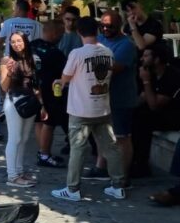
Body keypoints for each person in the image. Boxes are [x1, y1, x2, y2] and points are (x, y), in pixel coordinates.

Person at [52, 16, 128, 202]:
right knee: (112, 148)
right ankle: (118, 186)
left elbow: (66, 77)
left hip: (80, 109)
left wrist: (59, 82)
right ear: (97, 31)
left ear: (79, 32)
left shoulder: (77, 53)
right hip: (102, 107)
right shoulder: (108, 52)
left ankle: (73, 189)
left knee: (78, 149)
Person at [88, 11, 137, 183]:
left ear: (120, 25)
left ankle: (122, 177)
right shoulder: (100, 40)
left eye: (110, 26)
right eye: (102, 25)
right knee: (101, 134)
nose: (105, 28)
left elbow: (114, 69)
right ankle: (101, 167)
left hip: (121, 98)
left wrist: (89, 65)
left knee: (122, 137)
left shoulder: (127, 45)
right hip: (101, 98)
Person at [131, 43, 180, 178]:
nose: (142, 59)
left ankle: (141, 165)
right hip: (158, 113)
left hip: (173, 116)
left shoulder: (172, 76)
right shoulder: (150, 73)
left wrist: (146, 82)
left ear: (157, 59)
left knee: (143, 120)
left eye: (146, 56)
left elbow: (154, 105)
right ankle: (131, 161)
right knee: (134, 115)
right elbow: (141, 99)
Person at [0, 32, 42, 187]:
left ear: (25, 41)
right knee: (15, 138)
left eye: (19, 41)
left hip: (30, 101)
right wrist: (10, 73)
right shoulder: (7, 61)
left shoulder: (32, 59)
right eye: (12, 42)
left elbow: (36, 84)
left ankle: (19, 171)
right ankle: (12, 176)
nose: (16, 44)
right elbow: (4, 87)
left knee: (24, 139)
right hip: (14, 102)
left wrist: (41, 105)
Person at [33, 20, 69, 169]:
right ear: (54, 33)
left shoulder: (32, 45)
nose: (61, 36)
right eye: (60, 33)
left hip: (34, 91)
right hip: (50, 92)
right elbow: (66, 74)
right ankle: (45, 155)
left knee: (39, 122)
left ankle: (42, 151)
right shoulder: (56, 53)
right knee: (49, 124)